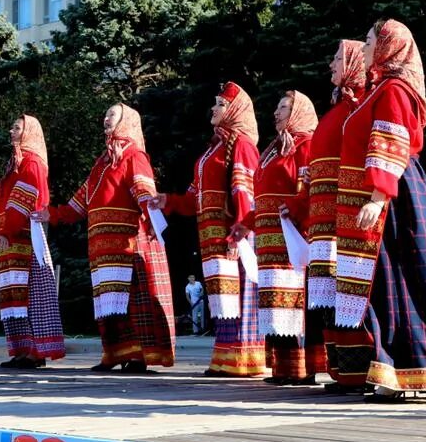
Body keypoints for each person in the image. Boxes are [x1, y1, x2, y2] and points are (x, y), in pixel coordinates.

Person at [332, 20, 426, 398]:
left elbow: (391, 140)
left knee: (396, 281)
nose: (363, 47)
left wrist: (377, 196)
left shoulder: (394, 90)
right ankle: (390, 371)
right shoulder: (382, 89)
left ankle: (407, 371)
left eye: (369, 39)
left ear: (388, 46)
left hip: (393, 195)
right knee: (383, 284)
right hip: (388, 191)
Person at [37, 105, 175, 373]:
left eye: (112, 115)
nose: (105, 118)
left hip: (127, 243)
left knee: (131, 301)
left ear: (125, 121)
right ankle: (113, 352)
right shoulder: (102, 162)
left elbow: (145, 192)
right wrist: (50, 214)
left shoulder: (135, 156)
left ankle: (137, 356)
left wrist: (151, 213)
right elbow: (79, 204)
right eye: (106, 114)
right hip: (100, 247)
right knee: (107, 304)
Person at [157, 82, 264, 377]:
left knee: (239, 294)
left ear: (235, 111)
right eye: (214, 103)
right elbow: (194, 198)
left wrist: (241, 228)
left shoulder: (241, 145)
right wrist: (168, 201)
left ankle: (244, 360)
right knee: (222, 298)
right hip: (212, 235)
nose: (213, 109)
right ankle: (224, 357)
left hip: (233, 235)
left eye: (220, 104)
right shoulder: (212, 149)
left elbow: (245, 192)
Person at [289, 40, 366, 393]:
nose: (330, 65)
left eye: (337, 58)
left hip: (341, 220)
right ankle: (339, 371)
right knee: (329, 299)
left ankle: (358, 371)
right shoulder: (336, 109)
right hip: (321, 223)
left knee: (347, 294)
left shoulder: (358, 105)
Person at [253, 90, 322, 385]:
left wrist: (294, 209)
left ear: (298, 113)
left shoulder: (306, 145)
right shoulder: (273, 148)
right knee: (275, 302)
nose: (276, 112)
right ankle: (282, 367)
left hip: (291, 235)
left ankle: (300, 369)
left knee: (293, 298)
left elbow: (309, 189)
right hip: (269, 239)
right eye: (277, 107)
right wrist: (246, 223)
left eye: (283, 108)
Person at [0, 115, 64, 369]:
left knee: (28, 294)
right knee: (13, 295)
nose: (11, 130)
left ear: (29, 132)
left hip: (25, 237)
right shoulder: (15, 163)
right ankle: (20, 350)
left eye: (17, 127)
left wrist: (4, 233)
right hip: (10, 235)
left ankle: (34, 351)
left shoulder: (32, 163)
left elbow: (23, 202)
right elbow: (7, 205)